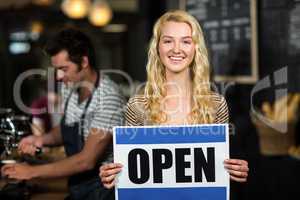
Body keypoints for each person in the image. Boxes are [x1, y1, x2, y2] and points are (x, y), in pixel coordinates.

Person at [99, 10, 249, 189]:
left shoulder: (216, 105)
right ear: (157, 47)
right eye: (168, 41)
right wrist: (113, 174)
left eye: (186, 41)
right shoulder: (138, 106)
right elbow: (130, 171)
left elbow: (216, 171)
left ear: (196, 48)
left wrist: (233, 170)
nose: (176, 49)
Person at [1, 28, 124, 200]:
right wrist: (40, 140)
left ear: (84, 61)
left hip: (103, 189)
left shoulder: (108, 97)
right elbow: (68, 127)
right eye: (57, 69)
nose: (59, 76)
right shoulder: (71, 87)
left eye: (64, 69)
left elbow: (86, 161)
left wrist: (31, 172)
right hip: (77, 185)